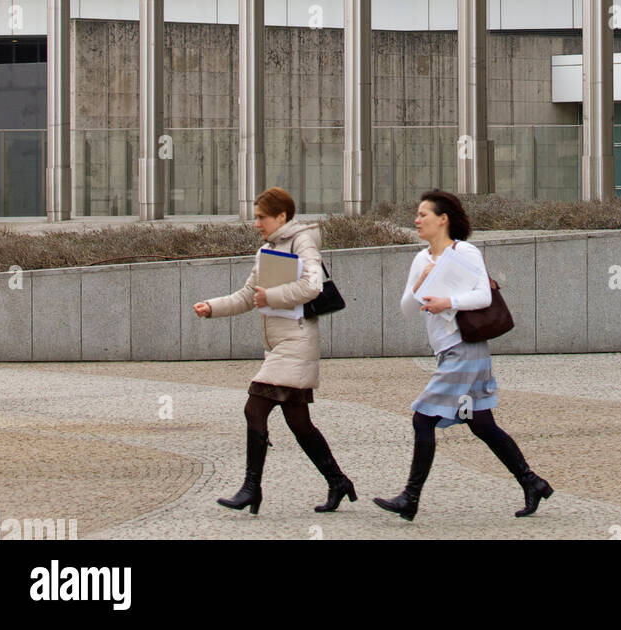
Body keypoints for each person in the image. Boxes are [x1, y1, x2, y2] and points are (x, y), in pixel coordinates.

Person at [373, 189, 553, 522]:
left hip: (465, 350)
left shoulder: (465, 251)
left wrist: (448, 302)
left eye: (423, 214)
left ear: (443, 219)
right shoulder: (421, 259)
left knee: (422, 417)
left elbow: (483, 295)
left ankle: (410, 499)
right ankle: (532, 482)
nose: (416, 219)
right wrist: (422, 282)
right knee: (480, 422)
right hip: (447, 351)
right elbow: (407, 310)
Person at [192, 186, 355, 516]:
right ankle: (338, 481)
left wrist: (274, 297)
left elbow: (311, 286)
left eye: (261, 217)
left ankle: (251, 488)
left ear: (282, 216)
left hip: (296, 342)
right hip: (279, 345)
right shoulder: (267, 248)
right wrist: (212, 307)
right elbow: (247, 296)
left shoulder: (302, 240)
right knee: (300, 423)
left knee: (255, 408)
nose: (256, 224)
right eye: (255, 218)